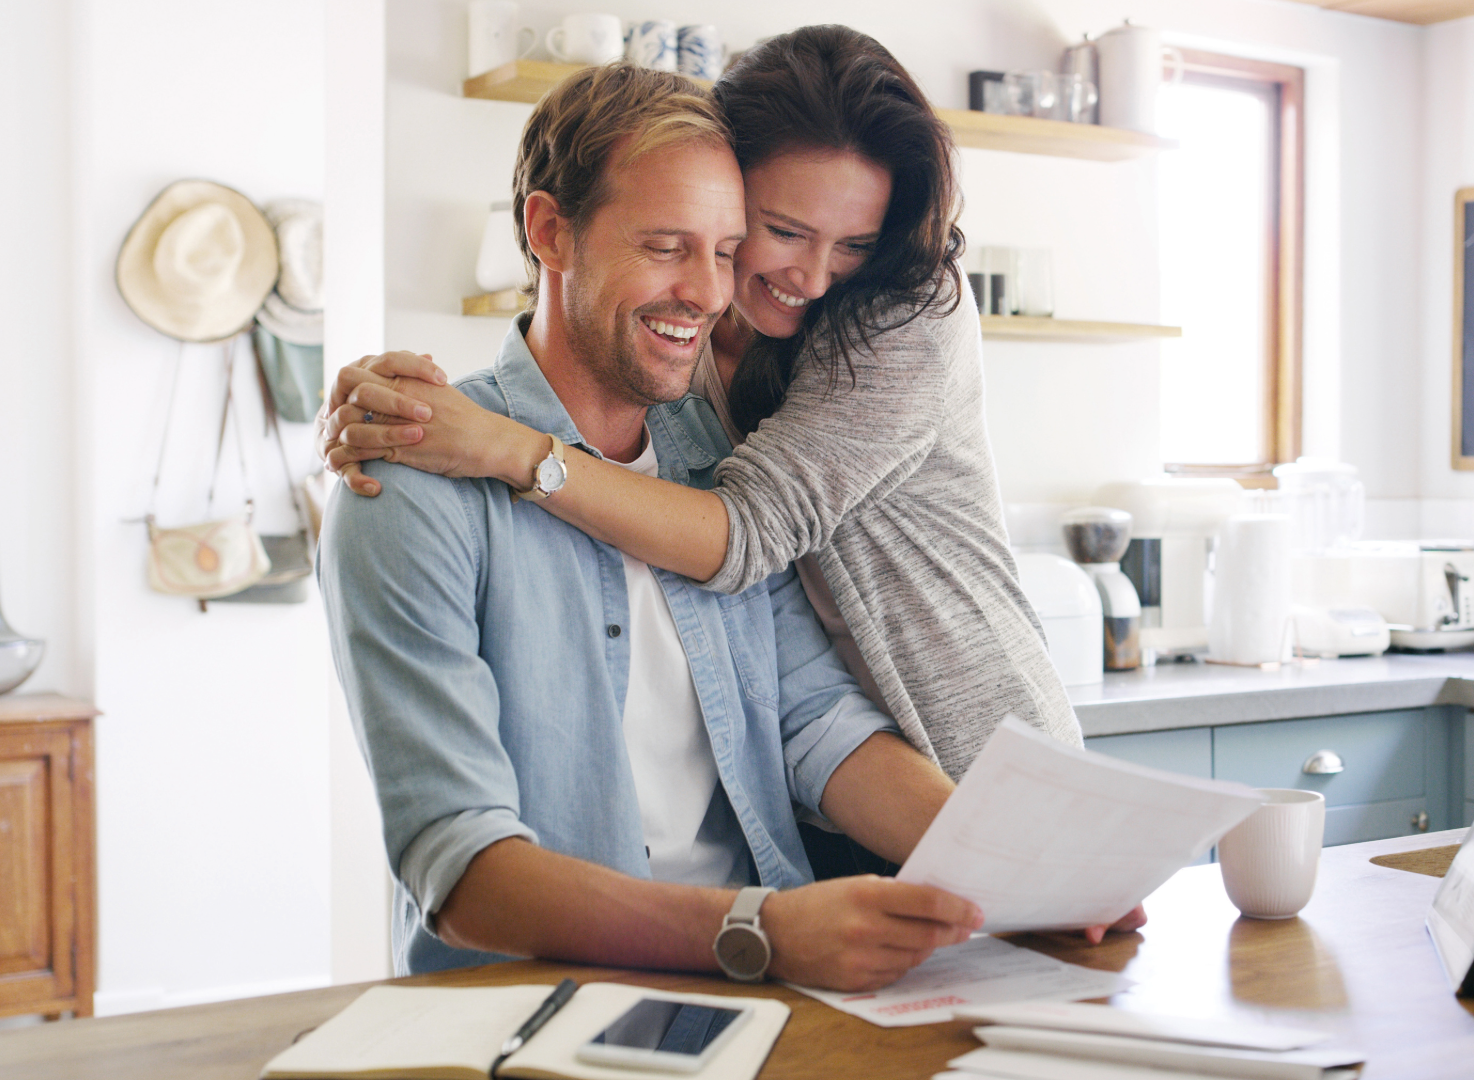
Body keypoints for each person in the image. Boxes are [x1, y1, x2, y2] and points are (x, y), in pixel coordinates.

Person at [321, 64, 988, 989]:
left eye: (726, 250)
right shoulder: (411, 482)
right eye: (667, 246)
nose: (708, 292)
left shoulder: (714, 465)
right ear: (549, 232)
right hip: (537, 1008)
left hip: (758, 983)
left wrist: (1015, 866)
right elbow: (460, 864)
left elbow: (815, 722)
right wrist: (760, 931)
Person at [320, 25, 1079, 786]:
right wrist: (391, 399)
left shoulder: (906, 314)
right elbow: (582, 319)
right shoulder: (700, 332)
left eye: (854, 243)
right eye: (783, 231)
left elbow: (745, 532)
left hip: (978, 754)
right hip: (822, 781)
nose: (816, 278)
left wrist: (504, 446)